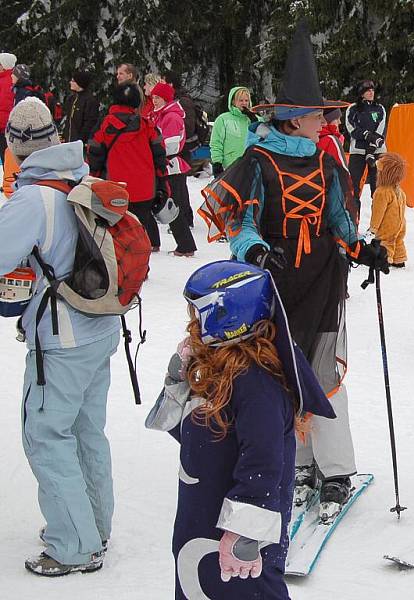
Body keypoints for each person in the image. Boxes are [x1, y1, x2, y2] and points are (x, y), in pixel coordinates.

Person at [199, 23, 388, 521]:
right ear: (296, 118)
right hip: (276, 284)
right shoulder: (258, 161)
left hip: (324, 278)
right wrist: (256, 252)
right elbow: (240, 221)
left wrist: (364, 247)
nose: (326, 121)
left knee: (322, 372)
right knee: (285, 372)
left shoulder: (327, 161)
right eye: (318, 115)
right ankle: (302, 463)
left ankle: (337, 470)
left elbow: (339, 221)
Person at [145, 260, 334, 600]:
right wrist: (179, 382)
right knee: (201, 584)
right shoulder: (215, 368)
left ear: (225, 316)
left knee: (248, 591)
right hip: (202, 514)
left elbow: (264, 461)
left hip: (234, 529)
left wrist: (244, 534)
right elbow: (194, 438)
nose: (191, 324)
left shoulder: (256, 382)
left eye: (196, 314)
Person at [0, 98, 120, 576]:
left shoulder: (32, 200)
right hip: (101, 327)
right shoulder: (82, 181)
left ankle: (73, 543)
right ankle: (94, 525)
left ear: (15, 146)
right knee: (86, 431)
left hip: (62, 337)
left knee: (47, 434)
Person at [87, 82, 173, 252]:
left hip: (114, 189)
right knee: (139, 232)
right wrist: (163, 183)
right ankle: (140, 267)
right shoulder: (147, 126)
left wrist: (94, 177)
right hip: (144, 190)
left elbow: (94, 154)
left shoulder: (104, 125)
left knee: (115, 235)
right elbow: (160, 156)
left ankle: (121, 270)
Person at [151, 81, 197, 254]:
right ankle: (159, 242)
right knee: (164, 204)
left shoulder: (171, 116)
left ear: (166, 98)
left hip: (171, 166)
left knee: (172, 206)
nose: (154, 101)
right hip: (166, 166)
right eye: (153, 97)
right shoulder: (161, 114)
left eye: (158, 97)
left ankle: (186, 246)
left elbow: (171, 146)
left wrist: (152, 150)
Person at [345, 79, 386, 210]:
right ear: (361, 93)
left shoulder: (379, 108)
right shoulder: (352, 108)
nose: (371, 92)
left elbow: (380, 131)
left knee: (379, 189)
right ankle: (352, 223)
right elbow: (352, 129)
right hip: (358, 151)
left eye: (372, 90)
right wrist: (367, 134)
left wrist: (371, 149)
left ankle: (377, 226)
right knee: (353, 188)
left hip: (377, 151)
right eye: (368, 90)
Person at [317, 103, 358, 224]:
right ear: (327, 121)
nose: (339, 122)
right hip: (335, 198)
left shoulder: (313, 138)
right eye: (336, 119)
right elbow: (343, 174)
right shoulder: (331, 140)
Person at [369, 152, 407, 268]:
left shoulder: (382, 192)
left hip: (387, 224)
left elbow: (378, 212)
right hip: (400, 223)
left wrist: (373, 228)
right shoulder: (399, 191)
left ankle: (385, 260)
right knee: (398, 240)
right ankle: (399, 259)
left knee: (385, 241)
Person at [209, 86, 259, 175]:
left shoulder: (256, 119)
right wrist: (217, 163)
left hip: (254, 166)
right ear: (233, 101)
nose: (244, 103)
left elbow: (266, 140)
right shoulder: (223, 119)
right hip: (231, 167)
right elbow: (216, 143)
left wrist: (255, 123)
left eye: (246, 100)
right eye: (240, 100)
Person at [163, 71, 198, 159]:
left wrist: (173, 130)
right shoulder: (169, 99)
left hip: (181, 150)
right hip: (172, 149)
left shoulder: (182, 101)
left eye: (162, 82)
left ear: (170, 84)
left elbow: (189, 128)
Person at [61, 70, 100, 143]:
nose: (70, 82)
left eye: (73, 81)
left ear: (79, 83)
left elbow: (89, 124)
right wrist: (64, 135)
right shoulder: (72, 99)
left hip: (80, 144)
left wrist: (80, 140)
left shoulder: (90, 101)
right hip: (69, 143)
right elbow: (69, 122)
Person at [0, 52, 16, 157]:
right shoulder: (7, 79)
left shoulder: (6, 81)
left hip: (3, 128)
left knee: (6, 156)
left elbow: (5, 106)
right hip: (5, 126)